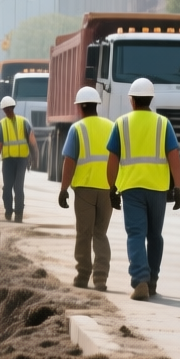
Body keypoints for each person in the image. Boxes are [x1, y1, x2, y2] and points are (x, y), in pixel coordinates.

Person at [106, 77, 180, 301]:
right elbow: (174, 157)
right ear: (150, 99)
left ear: (131, 100)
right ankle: (152, 281)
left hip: (131, 189)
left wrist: (111, 188)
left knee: (136, 235)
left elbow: (112, 160)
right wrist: (177, 187)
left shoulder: (121, 124)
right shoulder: (163, 123)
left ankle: (140, 280)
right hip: (158, 190)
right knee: (155, 235)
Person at [57, 87, 115, 290]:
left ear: (81, 106)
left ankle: (82, 276)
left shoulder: (77, 129)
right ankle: (100, 278)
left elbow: (69, 162)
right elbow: (119, 159)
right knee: (100, 233)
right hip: (108, 190)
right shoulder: (111, 126)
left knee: (84, 233)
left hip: (84, 191)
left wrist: (63, 189)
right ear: (96, 105)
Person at [0, 95, 34, 222]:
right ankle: (18, 214)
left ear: (3, 109)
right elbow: (32, 141)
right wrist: (32, 156)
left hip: (9, 161)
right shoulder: (24, 121)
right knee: (18, 187)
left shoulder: (2, 125)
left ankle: (10, 211)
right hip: (21, 160)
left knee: (8, 186)